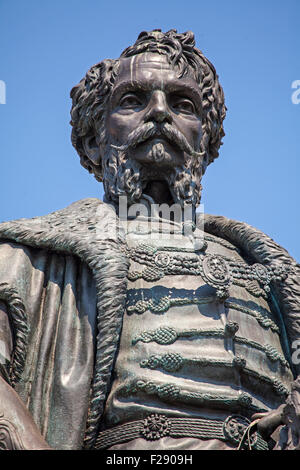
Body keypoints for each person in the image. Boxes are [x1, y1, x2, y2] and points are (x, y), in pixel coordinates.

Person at [0, 29, 299, 451]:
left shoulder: (269, 268)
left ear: (206, 140)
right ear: (93, 139)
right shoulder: (29, 258)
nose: (159, 113)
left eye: (182, 105)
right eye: (132, 100)